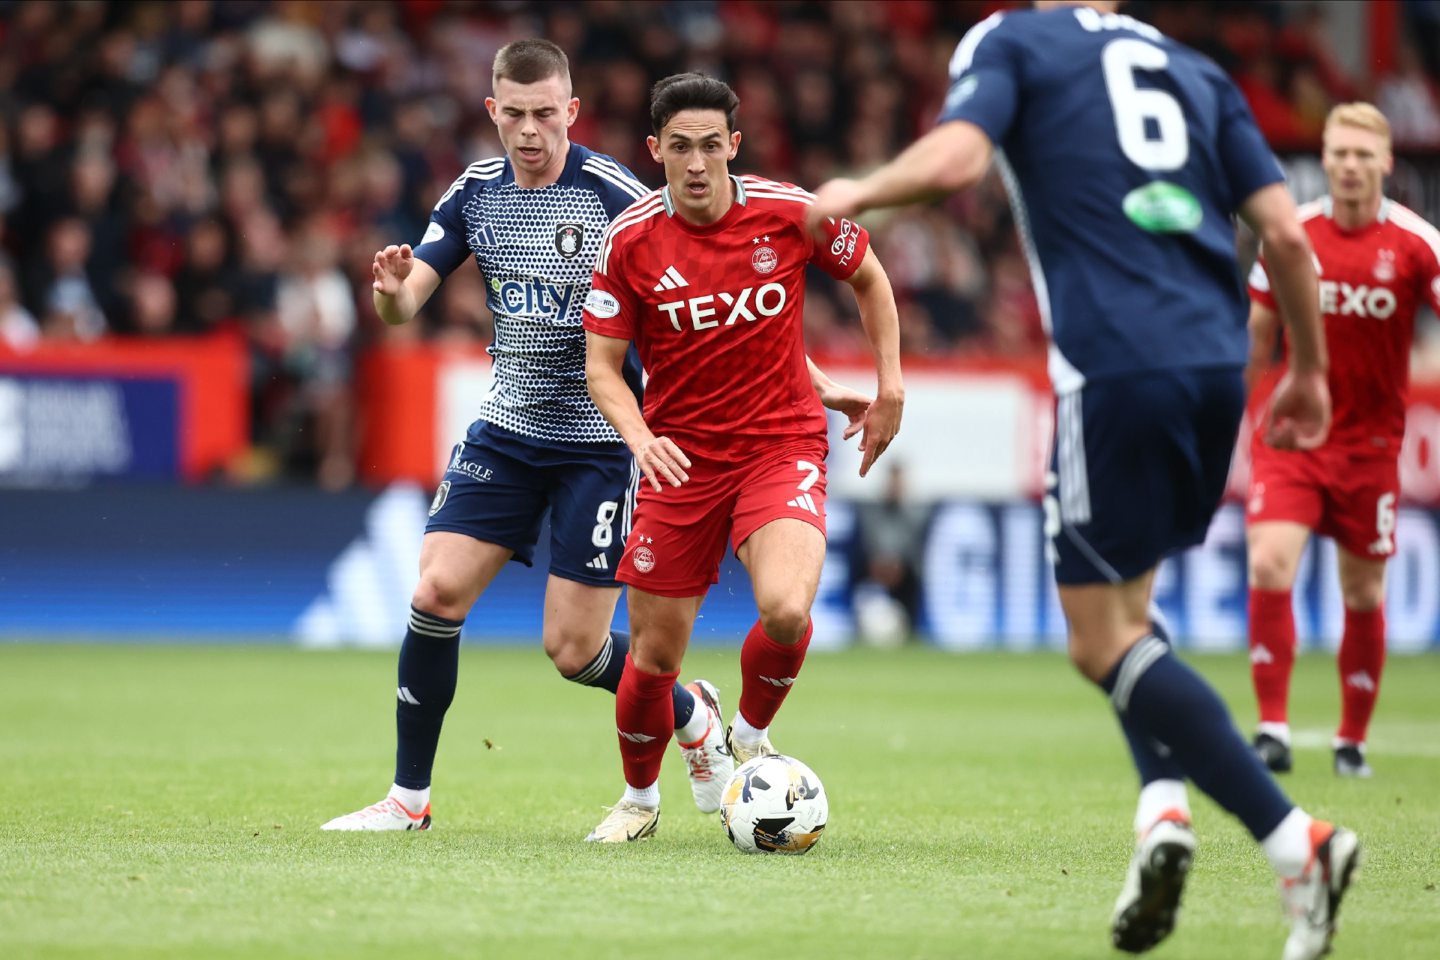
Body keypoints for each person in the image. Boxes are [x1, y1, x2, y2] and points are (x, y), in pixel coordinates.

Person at [807, 4, 1359, 960]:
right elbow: (1287, 236)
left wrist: (855, 191)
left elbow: (955, 162)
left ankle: (1295, 842)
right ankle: (1163, 813)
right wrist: (1308, 369)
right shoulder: (1196, 69)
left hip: (1112, 369)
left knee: (1096, 639)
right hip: (1215, 368)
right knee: (1130, 610)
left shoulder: (1011, 39)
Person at [321, 40, 735, 831]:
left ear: (571, 112)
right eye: (515, 115)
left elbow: (691, 292)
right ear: (493, 113)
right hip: (507, 428)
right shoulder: (475, 192)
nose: (531, 131)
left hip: (596, 441)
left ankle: (694, 714)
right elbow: (408, 303)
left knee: (573, 649)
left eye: (546, 114)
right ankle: (409, 800)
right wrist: (389, 291)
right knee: (435, 590)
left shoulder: (616, 196)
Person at [581, 72, 904, 843]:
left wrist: (890, 384)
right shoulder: (629, 239)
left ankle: (752, 739)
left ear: (735, 144)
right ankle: (639, 801)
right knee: (654, 661)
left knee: (788, 608)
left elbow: (869, 277)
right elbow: (602, 365)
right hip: (678, 461)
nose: (696, 164)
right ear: (656, 150)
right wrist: (641, 438)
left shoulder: (791, 214)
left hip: (779, 443)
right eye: (680, 148)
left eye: (710, 146)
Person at [1245, 103, 1440, 779]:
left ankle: (1351, 740)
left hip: (1371, 448)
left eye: (1363, 154)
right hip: (1295, 436)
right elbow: (1258, 335)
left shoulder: (1418, 245)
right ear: (1323, 160)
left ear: (1387, 162)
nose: (1350, 166)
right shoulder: (1292, 236)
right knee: (1270, 563)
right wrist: (1236, 418)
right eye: (1339, 154)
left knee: (1362, 593)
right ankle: (1272, 728)